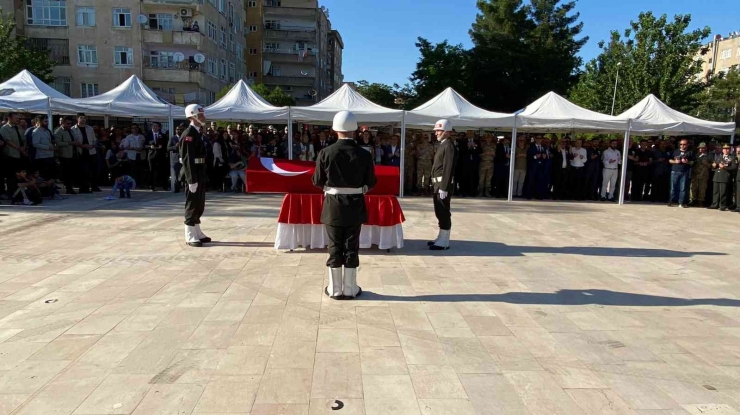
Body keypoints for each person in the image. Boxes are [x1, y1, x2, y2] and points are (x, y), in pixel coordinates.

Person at [312, 111, 376, 300]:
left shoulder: (325, 152)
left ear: (334, 129)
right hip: (355, 205)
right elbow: (371, 182)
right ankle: (350, 288)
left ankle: (334, 289)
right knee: (351, 246)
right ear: (355, 130)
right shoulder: (364, 154)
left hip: (333, 205)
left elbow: (316, 180)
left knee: (334, 246)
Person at [180, 104, 211, 247]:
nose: (203, 117)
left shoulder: (197, 132)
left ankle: (197, 231)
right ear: (192, 117)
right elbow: (187, 159)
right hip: (193, 173)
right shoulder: (188, 134)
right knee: (192, 203)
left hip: (200, 171)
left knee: (199, 203)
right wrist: (191, 180)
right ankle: (189, 234)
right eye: (200, 115)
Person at [428, 119, 458, 251]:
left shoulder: (449, 146)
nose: (436, 133)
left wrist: (444, 187)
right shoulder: (442, 144)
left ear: (446, 132)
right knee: (439, 211)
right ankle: (441, 237)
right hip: (438, 184)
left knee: (443, 211)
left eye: (438, 130)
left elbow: (448, 168)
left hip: (442, 184)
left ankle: (444, 240)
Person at [70, 113, 101, 193]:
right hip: (81, 152)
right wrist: (82, 145)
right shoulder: (73, 129)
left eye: (84, 118)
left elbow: (94, 139)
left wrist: (92, 145)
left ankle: (94, 186)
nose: (83, 119)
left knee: (94, 170)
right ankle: (84, 187)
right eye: (81, 118)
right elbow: (73, 141)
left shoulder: (90, 128)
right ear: (77, 118)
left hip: (91, 151)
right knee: (83, 171)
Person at [668, 139, 695, 208]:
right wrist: (675, 162)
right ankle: (671, 201)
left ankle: (681, 202)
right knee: (673, 187)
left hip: (685, 172)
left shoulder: (690, 152)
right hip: (675, 171)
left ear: (687, 145)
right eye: (681, 144)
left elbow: (693, 162)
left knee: (683, 188)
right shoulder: (675, 151)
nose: (682, 146)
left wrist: (687, 162)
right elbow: (669, 160)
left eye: (684, 144)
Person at [54, 116, 77, 194]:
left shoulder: (71, 131)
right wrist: (69, 143)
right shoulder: (58, 131)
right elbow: (57, 143)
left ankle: (71, 186)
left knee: (71, 172)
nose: (69, 125)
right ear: (63, 123)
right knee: (66, 172)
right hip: (64, 155)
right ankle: (68, 187)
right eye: (67, 123)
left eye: (70, 123)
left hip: (72, 153)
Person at [710, 144, 735, 211]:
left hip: (724, 176)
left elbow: (733, 167)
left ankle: (722, 205)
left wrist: (725, 167)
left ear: (730, 150)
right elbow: (715, 164)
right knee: (715, 192)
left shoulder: (732, 157)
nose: (725, 150)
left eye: (727, 149)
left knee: (723, 192)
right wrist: (714, 165)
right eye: (724, 149)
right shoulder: (719, 156)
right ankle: (715, 204)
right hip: (717, 176)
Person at [31, 115, 56, 180]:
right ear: (40, 121)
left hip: (50, 155)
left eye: (47, 121)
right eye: (45, 121)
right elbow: (35, 144)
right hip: (42, 157)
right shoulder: (36, 131)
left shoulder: (47, 131)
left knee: (50, 175)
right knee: (44, 176)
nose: (47, 123)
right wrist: (48, 147)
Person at [146, 122, 169, 191]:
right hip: (151, 155)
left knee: (163, 171)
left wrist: (162, 147)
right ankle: (151, 185)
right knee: (151, 171)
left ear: (159, 127)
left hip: (161, 155)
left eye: (156, 126)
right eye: (153, 126)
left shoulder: (163, 135)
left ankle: (164, 186)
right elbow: (145, 145)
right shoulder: (148, 135)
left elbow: (166, 145)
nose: (154, 128)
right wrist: (150, 146)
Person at [690, 142, 712, 207]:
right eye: (700, 148)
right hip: (695, 174)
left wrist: (706, 163)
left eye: (703, 148)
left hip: (704, 175)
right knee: (693, 188)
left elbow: (712, 165)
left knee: (702, 188)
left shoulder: (709, 155)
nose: (701, 149)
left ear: (706, 148)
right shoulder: (695, 155)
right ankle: (692, 200)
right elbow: (691, 163)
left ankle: (700, 201)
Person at [168, 124, 185, 193]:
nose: (179, 131)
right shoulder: (173, 138)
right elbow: (168, 148)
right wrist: (175, 146)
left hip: (184, 158)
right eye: (177, 129)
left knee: (184, 173)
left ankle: (184, 187)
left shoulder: (185, 137)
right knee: (176, 173)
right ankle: (177, 188)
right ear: (175, 130)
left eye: (181, 129)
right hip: (176, 158)